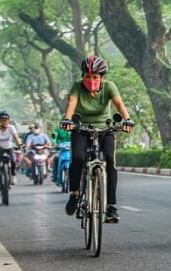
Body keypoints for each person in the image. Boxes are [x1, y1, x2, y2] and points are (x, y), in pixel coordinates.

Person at [61, 56, 134, 223]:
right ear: (82, 77)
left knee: (110, 161)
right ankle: (74, 193)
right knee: (78, 158)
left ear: (102, 77)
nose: (91, 80)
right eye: (87, 76)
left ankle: (111, 207)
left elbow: (119, 104)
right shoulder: (77, 87)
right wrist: (67, 119)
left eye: (95, 77)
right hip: (81, 128)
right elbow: (71, 103)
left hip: (105, 128)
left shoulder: (109, 86)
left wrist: (127, 119)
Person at [0, 110, 23, 191]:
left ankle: (12, 175)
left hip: (9, 147)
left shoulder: (11, 127)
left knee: (13, 160)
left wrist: (19, 144)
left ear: (8, 120)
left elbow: (16, 137)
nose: (4, 121)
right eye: (2, 119)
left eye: (6, 119)